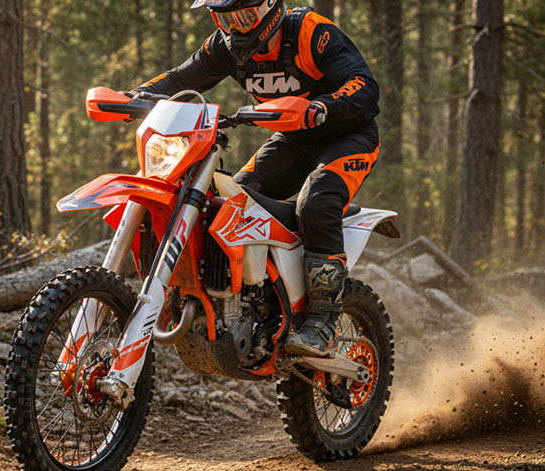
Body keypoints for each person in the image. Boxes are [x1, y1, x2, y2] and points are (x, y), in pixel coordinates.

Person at [132, 0, 380, 358]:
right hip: (292, 140)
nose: (236, 27)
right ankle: (253, 305)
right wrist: (136, 96)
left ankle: (322, 321)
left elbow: (365, 86)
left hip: (348, 136)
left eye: (245, 16)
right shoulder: (223, 46)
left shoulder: (310, 32)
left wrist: (322, 107)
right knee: (230, 205)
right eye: (225, 19)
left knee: (316, 203)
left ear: (270, 8)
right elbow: (181, 79)